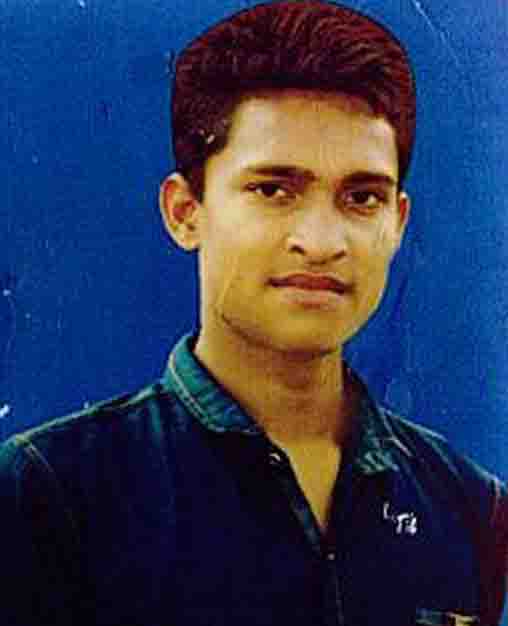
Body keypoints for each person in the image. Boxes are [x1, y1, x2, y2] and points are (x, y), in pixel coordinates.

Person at [1, 2, 506, 625]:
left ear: (398, 222)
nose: (321, 241)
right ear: (185, 211)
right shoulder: (50, 493)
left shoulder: (467, 506)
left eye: (361, 197)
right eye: (274, 190)